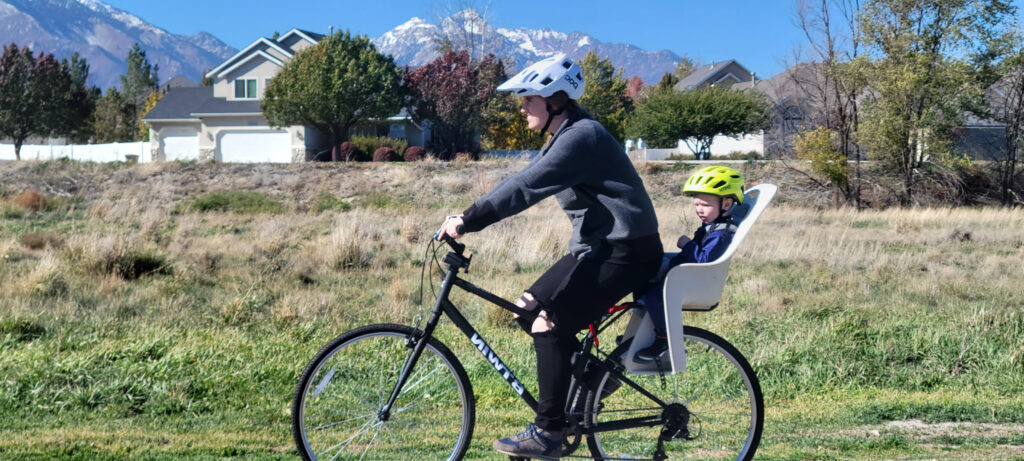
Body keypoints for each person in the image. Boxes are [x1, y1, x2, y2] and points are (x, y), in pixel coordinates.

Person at [437, 53, 663, 460]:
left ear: (555, 99)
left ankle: (549, 432)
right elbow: (519, 180)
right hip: (599, 247)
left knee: (550, 324)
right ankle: (594, 383)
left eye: (528, 99)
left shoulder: (582, 137)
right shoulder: (565, 135)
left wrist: (468, 219)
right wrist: (467, 214)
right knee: (527, 309)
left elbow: (527, 186)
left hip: (626, 250)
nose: (522, 107)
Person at [632, 165, 745, 364]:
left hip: (692, 281)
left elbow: (703, 260)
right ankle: (641, 334)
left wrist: (687, 244)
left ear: (726, 204)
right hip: (683, 275)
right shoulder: (713, 227)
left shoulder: (721, 233)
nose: (699, 210)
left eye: (705, 205)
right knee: (640, 280)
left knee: (652, 294)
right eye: (697, 205)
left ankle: (664, 339)